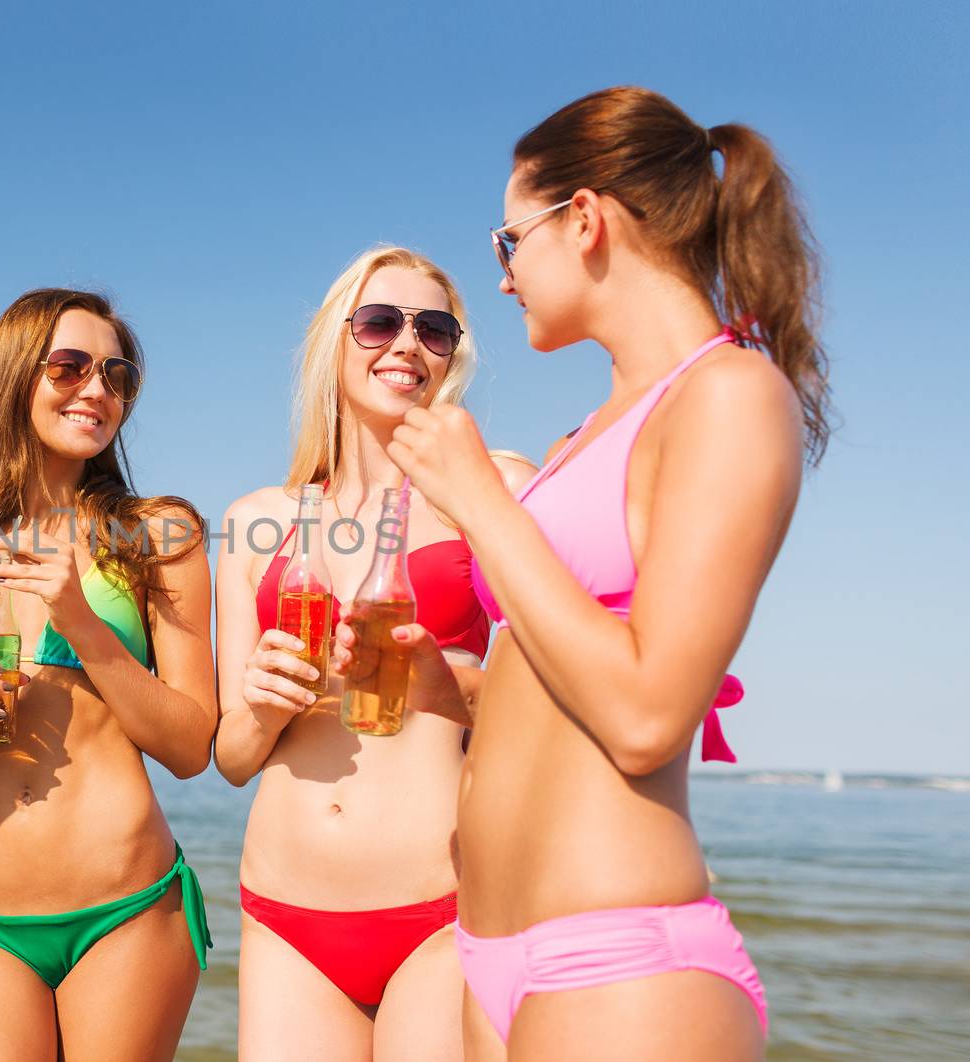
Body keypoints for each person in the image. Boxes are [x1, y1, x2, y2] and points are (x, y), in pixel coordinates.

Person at [346, 86, 830, 1060]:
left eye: (506, 242)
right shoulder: (579, 438)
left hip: (615, 963)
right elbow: (558, 668)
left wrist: (478, 502)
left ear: (583, 219)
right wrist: (453, 687)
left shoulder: (729, 396)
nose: (505, 277)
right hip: (489, 957)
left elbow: (647, 715)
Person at [215, 247, 534, 1059]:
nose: (406, 345)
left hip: (441, 900)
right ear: (336, 339)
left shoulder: (494, 487)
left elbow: (552, 703)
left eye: (433, 330)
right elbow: (233, 756)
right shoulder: (259, 521)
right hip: (285, 912)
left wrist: (445, 678)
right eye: (380, 322)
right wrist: (260, 705)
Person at [0, 289, 218, 1060]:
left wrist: (83, 624)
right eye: (69, 366)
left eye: (117, 374)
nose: (97, 389)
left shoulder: (158, 533)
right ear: (12, 378)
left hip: (124, 910)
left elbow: (192, 744)